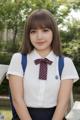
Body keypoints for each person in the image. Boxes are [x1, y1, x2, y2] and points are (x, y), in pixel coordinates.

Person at [6, 9, 79, 120]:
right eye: (33, 31)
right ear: (28, 35)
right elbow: (17, 100)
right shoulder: (18, 59)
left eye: (45, 30)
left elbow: (62, 104)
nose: (39, 36)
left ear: (53, 32)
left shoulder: (65, 64)